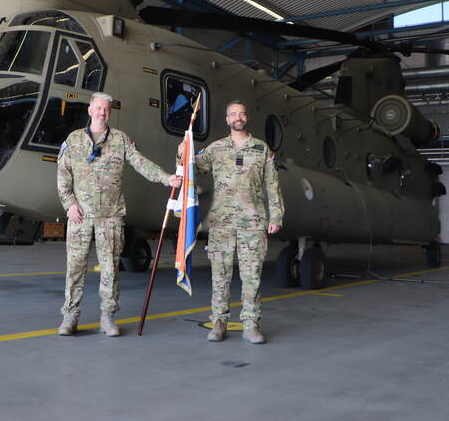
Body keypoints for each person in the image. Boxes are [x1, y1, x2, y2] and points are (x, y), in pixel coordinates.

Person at [57, 92, 181, 337]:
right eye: (98, 108)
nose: (102, 112)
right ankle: (70, 317)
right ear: (90, 110)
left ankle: (107, 317)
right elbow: (63, 177)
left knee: (111, 269)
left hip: (111, 217)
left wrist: (166, 178)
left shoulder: (120, 140)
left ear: (109, 112)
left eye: (106, 109)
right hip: (80, 216)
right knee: (75, 268)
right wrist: (70, 204)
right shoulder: (73, 140)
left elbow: (140, 163)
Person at [180, 100, 283, 344]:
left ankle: (250, 325)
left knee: (252, 277)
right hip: (221, 223)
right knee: (220, 276)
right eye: (233, 114)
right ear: (227, 120)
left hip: (253, 223)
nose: (238, 117)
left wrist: (276, 215)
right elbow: (192, 167)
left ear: (246, 118)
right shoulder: (215, 149)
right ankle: (218, 323)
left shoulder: (261, 149)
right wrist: (183, 148)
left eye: (242, 113)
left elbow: (273, 185)